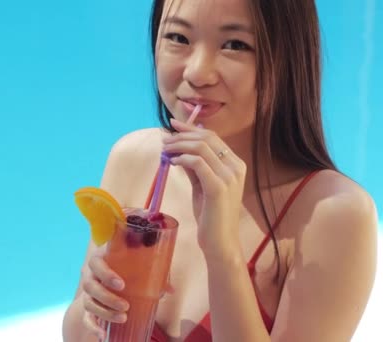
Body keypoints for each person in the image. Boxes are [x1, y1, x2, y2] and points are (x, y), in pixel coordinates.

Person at [62, 0, 379, 341]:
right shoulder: (134, 158)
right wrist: (93, 306)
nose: (197, 73)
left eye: (235, 45)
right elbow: (79, 332)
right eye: (178, 37)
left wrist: (222, 250)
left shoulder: (334, 214)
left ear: (288, 58)